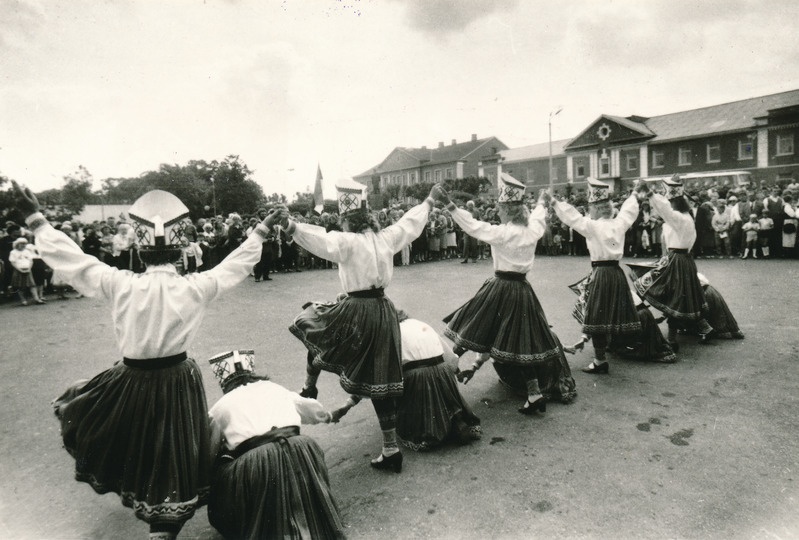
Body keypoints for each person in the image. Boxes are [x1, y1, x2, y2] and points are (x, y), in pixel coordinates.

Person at [13, 183, 282, 540]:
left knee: (137, 441)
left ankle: (155, 514)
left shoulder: (120, 283)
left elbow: (74, 261)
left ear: (140, 253)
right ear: (180, 252)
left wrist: (36, 219)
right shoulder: (195, 286)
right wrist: (260, 231)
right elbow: (236, 265)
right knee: (173, 448)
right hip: (177, 378)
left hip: (131, 377)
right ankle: (165, 524)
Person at [282, 178, 440, 473]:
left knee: (313, 324)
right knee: (381, 378)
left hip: (357, 310)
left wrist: (291, 226)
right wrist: (428, 202)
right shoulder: (386, 237)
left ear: (346, 220)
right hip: (383, 309)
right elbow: (409, 224)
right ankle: (390, 449)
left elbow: (320, 240)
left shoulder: (348, 240)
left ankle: (309, 387)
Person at [436, 174, 567, 414]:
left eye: (500, 208)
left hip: (500, 287)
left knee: (475, 326)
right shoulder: (532, 230)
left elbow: (472, 226)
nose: (498, 211)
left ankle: (441, 376)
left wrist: (449, 204)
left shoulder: (502, 232)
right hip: (523, 289)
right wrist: (541, 201)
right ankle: (534, 394)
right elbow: (539, 216)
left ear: (507, 210)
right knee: (520, 341)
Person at [206, 350, 345, 540]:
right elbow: (311, 409)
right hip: (300, 449)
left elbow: (210, 450)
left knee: (222, 465)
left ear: (224, 382)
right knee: (304, 450)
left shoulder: (220, 406)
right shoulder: (275, 388)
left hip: (258, 461)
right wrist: (328, 416)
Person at [553, 178, 646, 374]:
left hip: (601, 273)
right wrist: (635, 193)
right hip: (616, 273)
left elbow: (572, 217)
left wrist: (554, 203)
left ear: (595, 208)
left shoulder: (592, 226)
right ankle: (609, 350)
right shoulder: (619, 223)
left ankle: (599, 360)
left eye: (591, 208)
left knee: (597, 315)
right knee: (612, 312)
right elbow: (629, 210)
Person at [633, 175, 713, 350]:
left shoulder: (679, 218)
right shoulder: (685, 217)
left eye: (670, 202)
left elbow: (665, 210)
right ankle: (704, 328)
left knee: (674, 298)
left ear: (674, 203)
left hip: (678, 260)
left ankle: (671, 339)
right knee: (684, 297)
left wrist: (649, 193)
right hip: (681, 259)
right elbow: (666, 211)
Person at [395, 311, 481, 450]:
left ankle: (433, 431)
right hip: (442, 370)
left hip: (417, 376)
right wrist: (456, 371)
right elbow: (449, 356)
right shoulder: (419, 324)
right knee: (447, 395)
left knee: (417, 405)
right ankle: (456, 420)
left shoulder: (391, 332)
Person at [9, 237, 45, 305]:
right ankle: (23, 300)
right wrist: (20, 270)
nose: (23, 245)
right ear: (17, 244)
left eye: (24, 244)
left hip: (28, 270)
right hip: (18, 270)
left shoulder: (27, 251)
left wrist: (29, 269)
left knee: (32, 285)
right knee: (20, 286)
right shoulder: (13, 252)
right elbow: (13, 262)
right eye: (21, 244)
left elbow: (31, 261)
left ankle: (37, 299)